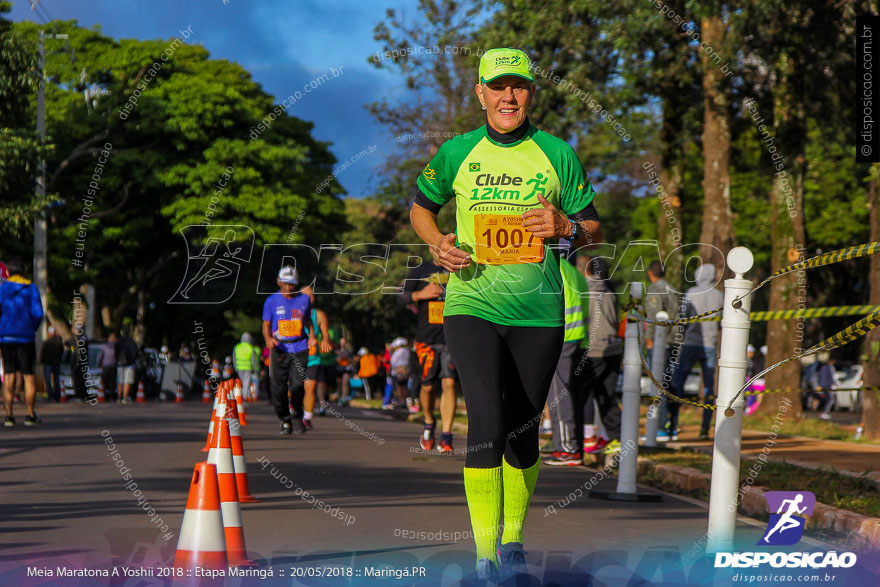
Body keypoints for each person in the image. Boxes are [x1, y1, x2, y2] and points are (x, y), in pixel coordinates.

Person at [409, 47, 602, 580]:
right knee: (487, 425)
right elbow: (421, 207)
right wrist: (436, 246)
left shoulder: (558, 154)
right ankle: (485, 554)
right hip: (471, 302)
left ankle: (513, 538)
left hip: (539, 312)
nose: (508, 96)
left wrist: (565, 227)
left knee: (521, 431)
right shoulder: (456, 153)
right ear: (481, 93)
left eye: (517, 86)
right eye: (498, 86)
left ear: (531, 93)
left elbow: (593, 227)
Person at [397, 260, 459, 452]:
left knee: (449, 384)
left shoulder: (459, 267)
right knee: (427, 385)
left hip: (452, 337)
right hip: (426, 339)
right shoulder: (420, 270)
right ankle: (429, 422)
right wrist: (420, 295)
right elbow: (401, 297)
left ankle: (447, 435)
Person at [543, 247, 590, 466]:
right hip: (577, 338)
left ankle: (567, 449)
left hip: (562, 338)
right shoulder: (574, 272)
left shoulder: (555, 269)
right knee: (568, 394)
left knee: (558, 396)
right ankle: (572, 445)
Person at [669, 263, 723, 440]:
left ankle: (672, 424)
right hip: (710, 345)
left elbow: (682, 318)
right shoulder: (719, 295)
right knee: (708, 387)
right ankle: (704, 429)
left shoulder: (691, 292)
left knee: (678, 382)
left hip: (690, 343)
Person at [262, 266, 316, 435]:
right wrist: (268, 339)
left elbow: (308, 321)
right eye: (285, 283)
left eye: (291, 284)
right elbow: (266, 325)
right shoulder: (271, 301)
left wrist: (313, 337)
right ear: (278, 281)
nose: (288, 287)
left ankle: (298, 415)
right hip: (280, 348)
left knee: (299, 385)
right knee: (278, 388)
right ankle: (285, 418)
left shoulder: (304, 300)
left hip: (299, 347)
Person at [579, 257, 623, 456]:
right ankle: (617, 437)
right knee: (608, 394)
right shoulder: (612, 290)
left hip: (592, 349)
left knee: (581, 393)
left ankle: (583, 438)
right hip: (613, 347)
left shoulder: (583, 289)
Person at [0, 258, 44, 426]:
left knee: (9, 375)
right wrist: (30, 327)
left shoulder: (2, 289)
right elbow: (38, 314)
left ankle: (9, 416)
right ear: (24, 273)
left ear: (8, 273)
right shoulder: (31, 288)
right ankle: (30, 415)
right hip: (26, 337)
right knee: (28, 377)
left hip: (6, 337)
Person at [644, 260, 681, 439]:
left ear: (651, 273)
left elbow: (655, 315)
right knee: (669, 383)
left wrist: (650, 339)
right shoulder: (673, 289)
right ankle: (671, 426)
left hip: (660, 343)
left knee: (658, 385)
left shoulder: (655, 289)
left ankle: (659, 428)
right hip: (673, 341)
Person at [301, 286, 332, 429]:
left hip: (312, 357)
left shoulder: (318, 315)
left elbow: (326, 333)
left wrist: (326, 339)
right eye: (306, 295)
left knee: (310, 387)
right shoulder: (291, 312)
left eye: (312, 295)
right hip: (294, 356)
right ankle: (293, 410)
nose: (309, 298)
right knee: (295, 388)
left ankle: (307, 417)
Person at [233, 332, 260, 407]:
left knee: (242, 382)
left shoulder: (237, 347)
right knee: (246, 383)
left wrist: (235, 367)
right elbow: (254, 360)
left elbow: (234, 358)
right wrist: (255, 369)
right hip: (248, 368)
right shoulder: (251, 348)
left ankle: (242, 396)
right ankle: (244, 398)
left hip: (239, 367)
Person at [39, 326, 64, 402]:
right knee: (57, 380)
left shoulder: (47, 342)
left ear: (49, 333)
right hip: (57, 363)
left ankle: (51, 395)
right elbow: (61, 352)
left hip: (48, 363)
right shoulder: (59, 342)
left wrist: (42, 361)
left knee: (48, 380)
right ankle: (57, 396)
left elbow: (43, 353)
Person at [116, 325, 139, 403]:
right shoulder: (131, 341)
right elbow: (135, 353)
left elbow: (114, 351)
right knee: (127, 381)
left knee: (120, 381)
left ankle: (119, 397)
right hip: (129, 364)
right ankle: (124, 397)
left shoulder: (118, 341)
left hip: (119, 363)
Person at [389, 337, 411, 407]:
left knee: (399, 386)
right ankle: (405, 401)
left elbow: (393, 361)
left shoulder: (398, 352)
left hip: (398, 370)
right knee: (405, 386)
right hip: (406, 369)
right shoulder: (407, 351)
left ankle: (400, 401)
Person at [98, 333, 119, 401]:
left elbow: (100, 356)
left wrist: (99, 364)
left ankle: (103, 395)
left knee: (104, 381)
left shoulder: (104, 346)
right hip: (113, 365)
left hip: (106, 365)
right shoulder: (116, 346)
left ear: (109, 339)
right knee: (112, 382)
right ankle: (111, 397)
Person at [816, 355, 837, 420]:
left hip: (825, 386)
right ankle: (825, 412)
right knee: (830, 399)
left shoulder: (826, 367)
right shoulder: (828, 367)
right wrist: (833, 384)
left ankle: (824, 412)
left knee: (827, 399)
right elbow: (829, 377)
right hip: (827, 386)